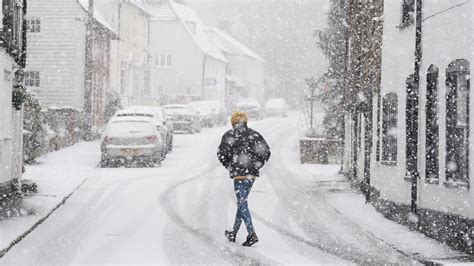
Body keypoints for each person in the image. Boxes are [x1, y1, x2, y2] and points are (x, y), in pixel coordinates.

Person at [217, 111, 271, 247]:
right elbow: (266, 151)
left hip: (239, 175)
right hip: (250, 175)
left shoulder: (229, 135)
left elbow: (221, 153)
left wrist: (230, 166)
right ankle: (233, 233)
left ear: (233, 122)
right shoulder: (254, 135)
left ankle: (252, 233)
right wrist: (257, 165)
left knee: (242, 204)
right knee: (242, 204)